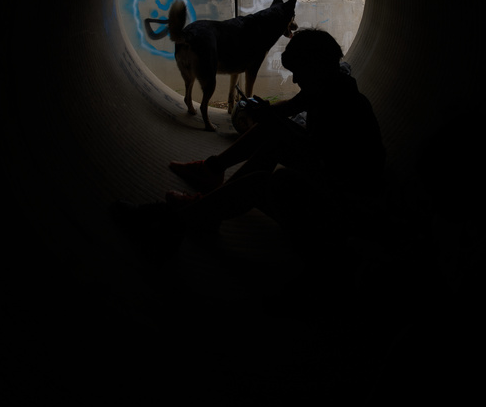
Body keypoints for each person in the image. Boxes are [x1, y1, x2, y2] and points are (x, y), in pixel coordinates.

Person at [113, 29, 387, 267]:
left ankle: (176, 222)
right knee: (275, 134)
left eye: (298, 73)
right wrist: (266, 112)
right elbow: (291, 110)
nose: (294, 81)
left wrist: (273, 121)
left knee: (267, 183)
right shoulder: (330, 83)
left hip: (345, 209)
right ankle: (212, 173)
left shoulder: (342, 106)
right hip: (337, 182)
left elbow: (323, 159)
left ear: (315, 67)